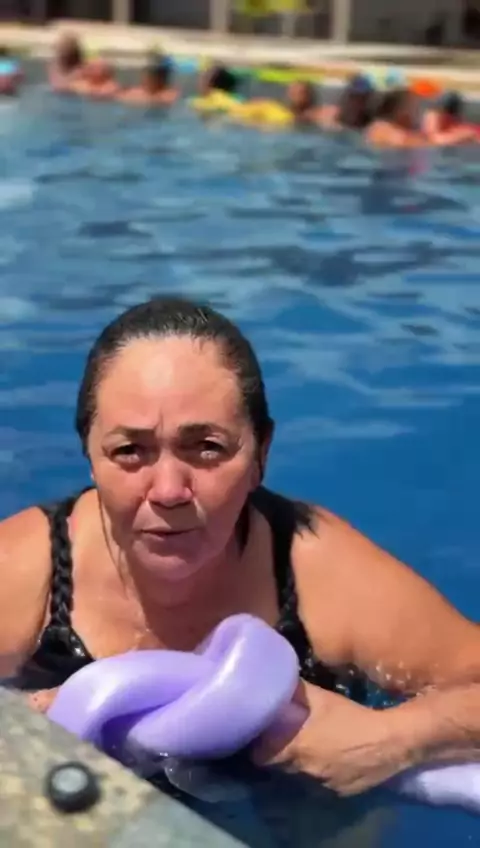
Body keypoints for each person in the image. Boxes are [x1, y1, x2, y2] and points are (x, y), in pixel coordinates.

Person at [1, 296, 479, 797]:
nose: (168, 490)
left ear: (260, 455)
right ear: (89, 456)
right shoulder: (23, 575)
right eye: (129, 450)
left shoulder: (316, 571)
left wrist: (389, 740)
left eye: (206, 447)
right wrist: (25, 724)